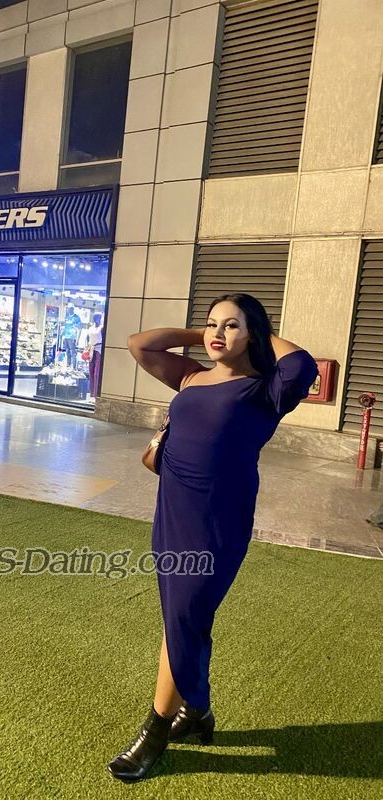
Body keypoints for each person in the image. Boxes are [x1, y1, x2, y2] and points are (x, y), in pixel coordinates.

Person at [107, 292, 319, 783]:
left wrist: (256, 332)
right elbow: (140, 344)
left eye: (231, 326)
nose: (217, 333)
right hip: (173, 512)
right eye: (212, 323)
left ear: (254, 334)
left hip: (219, 519)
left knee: (185, 615)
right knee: (182, 617)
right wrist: (205, 333)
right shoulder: (191, 376)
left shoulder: (266, 390)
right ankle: (197, 710)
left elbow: (301, 363)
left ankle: (156, 730)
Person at [85, 312, 103, 399]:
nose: (96, 319)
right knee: (91, 371)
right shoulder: (90, 328)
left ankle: (96, 394)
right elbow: (88, 338)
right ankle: (91, 393)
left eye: (98, 317)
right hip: (91, 349)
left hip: (99, 349)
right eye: (95, 317)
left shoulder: (101, 328)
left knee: (96, 373)